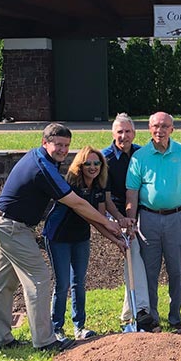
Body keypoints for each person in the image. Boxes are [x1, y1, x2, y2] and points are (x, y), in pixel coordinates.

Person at [0, 123, 122, 352]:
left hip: (4, 224)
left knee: (2, 284)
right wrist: (108, 222)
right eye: (58, 144)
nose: (62, 149)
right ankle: (45, 341)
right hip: (12, 227)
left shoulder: (41, 159)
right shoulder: (42, 167)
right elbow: (77, 203)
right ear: (45, 142)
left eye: (66, 145)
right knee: (39, 278)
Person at [125, 112, 181, 329]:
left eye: (164, 126)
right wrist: (131, 221)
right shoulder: (140, 157)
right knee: (149, 272)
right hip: (148, 219)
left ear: (172, 129)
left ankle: (175, 317)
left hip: (178, 217)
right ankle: (152, 318)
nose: (159, 130)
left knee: (177, 270)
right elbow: (131, 191)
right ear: (149, 129)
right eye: (155, 126)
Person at [43, 146, 122, 341]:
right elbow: (90, 215)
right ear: (80, 165)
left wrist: (117, 241)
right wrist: (113, 231)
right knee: (62, 284)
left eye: (97, 163)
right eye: (88, 163)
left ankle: (80, 327)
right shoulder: (71, 186)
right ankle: (57, 328)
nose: (93, 167)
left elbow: (99, 220)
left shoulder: (98, 188)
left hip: (80, 238)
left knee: (79, 282)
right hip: (58, 237)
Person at [102, 113, 158, 332]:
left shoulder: (141, 154)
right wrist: (122, 219)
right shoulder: (105, 158)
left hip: (140, 212)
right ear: (113, 134)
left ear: (134, 133)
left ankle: (129, 311)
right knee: (132, 253)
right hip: (116, 213)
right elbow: (106, 200)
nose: (123, 136)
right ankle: (141, 311)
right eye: (119, 132)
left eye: (128, 131)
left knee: (139, 257)